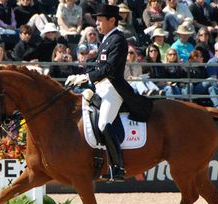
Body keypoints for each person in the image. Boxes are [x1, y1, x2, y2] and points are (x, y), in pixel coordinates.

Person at [65, 4, 153, 182]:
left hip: (113, 88)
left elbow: (109, 68)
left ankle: (118, 167)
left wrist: (86, 77)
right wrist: (83, 77)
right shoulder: (106, 39)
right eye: (96, 20)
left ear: (112, 20)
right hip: (100, 87)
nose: (97, 23)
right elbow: (100, 66)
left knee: (104, 123)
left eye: (100, 20)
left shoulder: (118, 39)